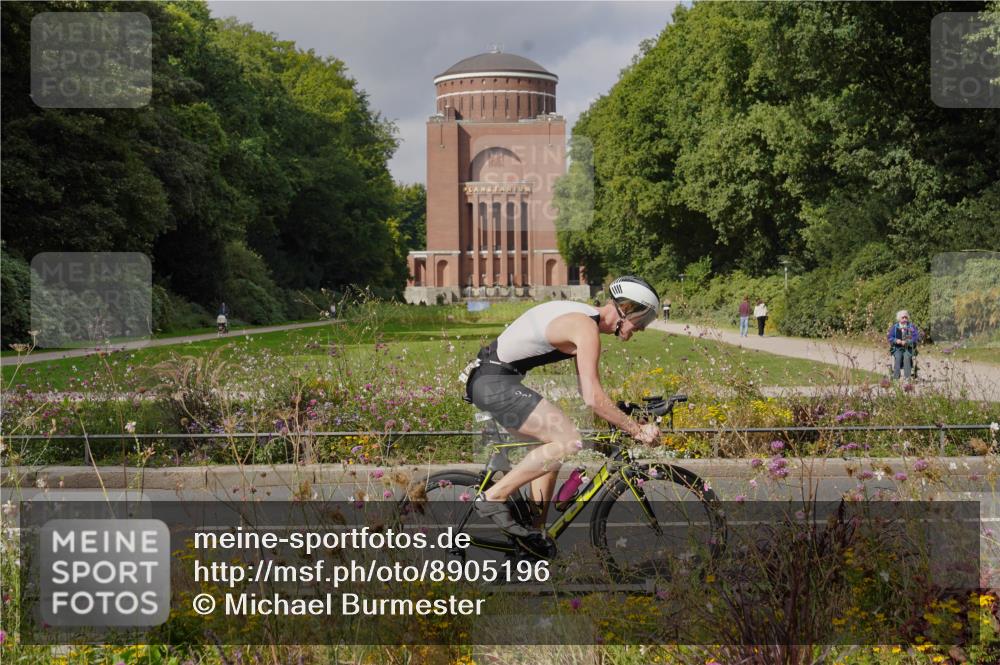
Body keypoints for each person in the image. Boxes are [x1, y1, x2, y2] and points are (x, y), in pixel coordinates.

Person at [461, 276, 662, 546]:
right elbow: (592, 397)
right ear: (628, 308)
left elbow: (588, 390)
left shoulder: (583, 318)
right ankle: (494, 496)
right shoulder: (585, 327)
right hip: (494, 381)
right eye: (644, 318)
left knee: (548, 453)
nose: (644, 328)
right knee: (569, 440)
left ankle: (535, 539)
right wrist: (636, 430)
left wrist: (619, 412)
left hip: (492, 379)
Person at [887, 310, 920, 380]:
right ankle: (896, 377)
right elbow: (890, 337)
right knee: (898, 357)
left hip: (909, 348)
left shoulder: (911, 326)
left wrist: (908, 341)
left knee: (907, 356)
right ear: (899, 318)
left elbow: (916, 336)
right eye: (903, 317)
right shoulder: (895, 327)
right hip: (897, 348)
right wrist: (896, 340)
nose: (905, 319)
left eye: (906, 317)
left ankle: (907, 378)